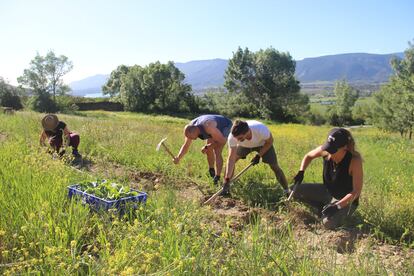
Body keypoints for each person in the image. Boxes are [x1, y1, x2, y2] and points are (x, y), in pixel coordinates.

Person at [291, 128, 363, 230]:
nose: (329, 151)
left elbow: (356, 191)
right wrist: (301, 171)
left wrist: (337, 206)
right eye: (328, 147)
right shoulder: (326, 150)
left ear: (345, 147)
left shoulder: (354, 161)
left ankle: (340, 215)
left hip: (345, 201)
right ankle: (322, 207)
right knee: (292, 190)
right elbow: (308, 156)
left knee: (327, 224)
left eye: (333, 149)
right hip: (327, 191)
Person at [221, 119, 288, 196]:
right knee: (233, 160)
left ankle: (286, 190)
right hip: (244, 146)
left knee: (274, 166)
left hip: (263, 145)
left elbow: (270, 141)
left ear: (247, 132)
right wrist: (227, 178)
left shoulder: (261, 129)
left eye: (239, 138)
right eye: (236, 138)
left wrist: (259, 155)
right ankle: (225, 188)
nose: (237, 140)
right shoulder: (232, 137)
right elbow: (231, 158)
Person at [173, 114, 232, 184]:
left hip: (224, 125)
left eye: (191, 137)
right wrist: (178, 157)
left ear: (195, 132)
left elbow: (222, 141)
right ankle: (211, 170)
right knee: (208, 150)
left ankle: (217, 177)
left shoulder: (208, 127)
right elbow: (186, 146)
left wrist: (208, 146)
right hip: (213, 128)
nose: (191, 139)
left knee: (217, 151)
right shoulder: (190, 128)